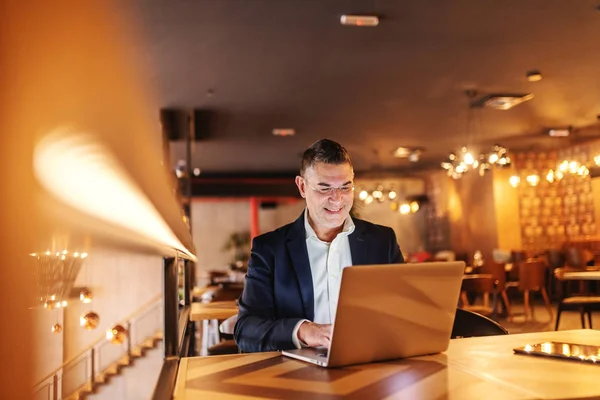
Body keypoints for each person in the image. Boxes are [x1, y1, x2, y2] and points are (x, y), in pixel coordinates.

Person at [234, 139, 404, 353]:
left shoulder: (382, 241)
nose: (337, 199)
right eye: (325, 188)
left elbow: (403, 311)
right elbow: (246, 330)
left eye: (345, 187)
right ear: (302, 186)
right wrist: (304, 331)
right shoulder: (269, 249)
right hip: (295, 375)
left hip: (372, 363)